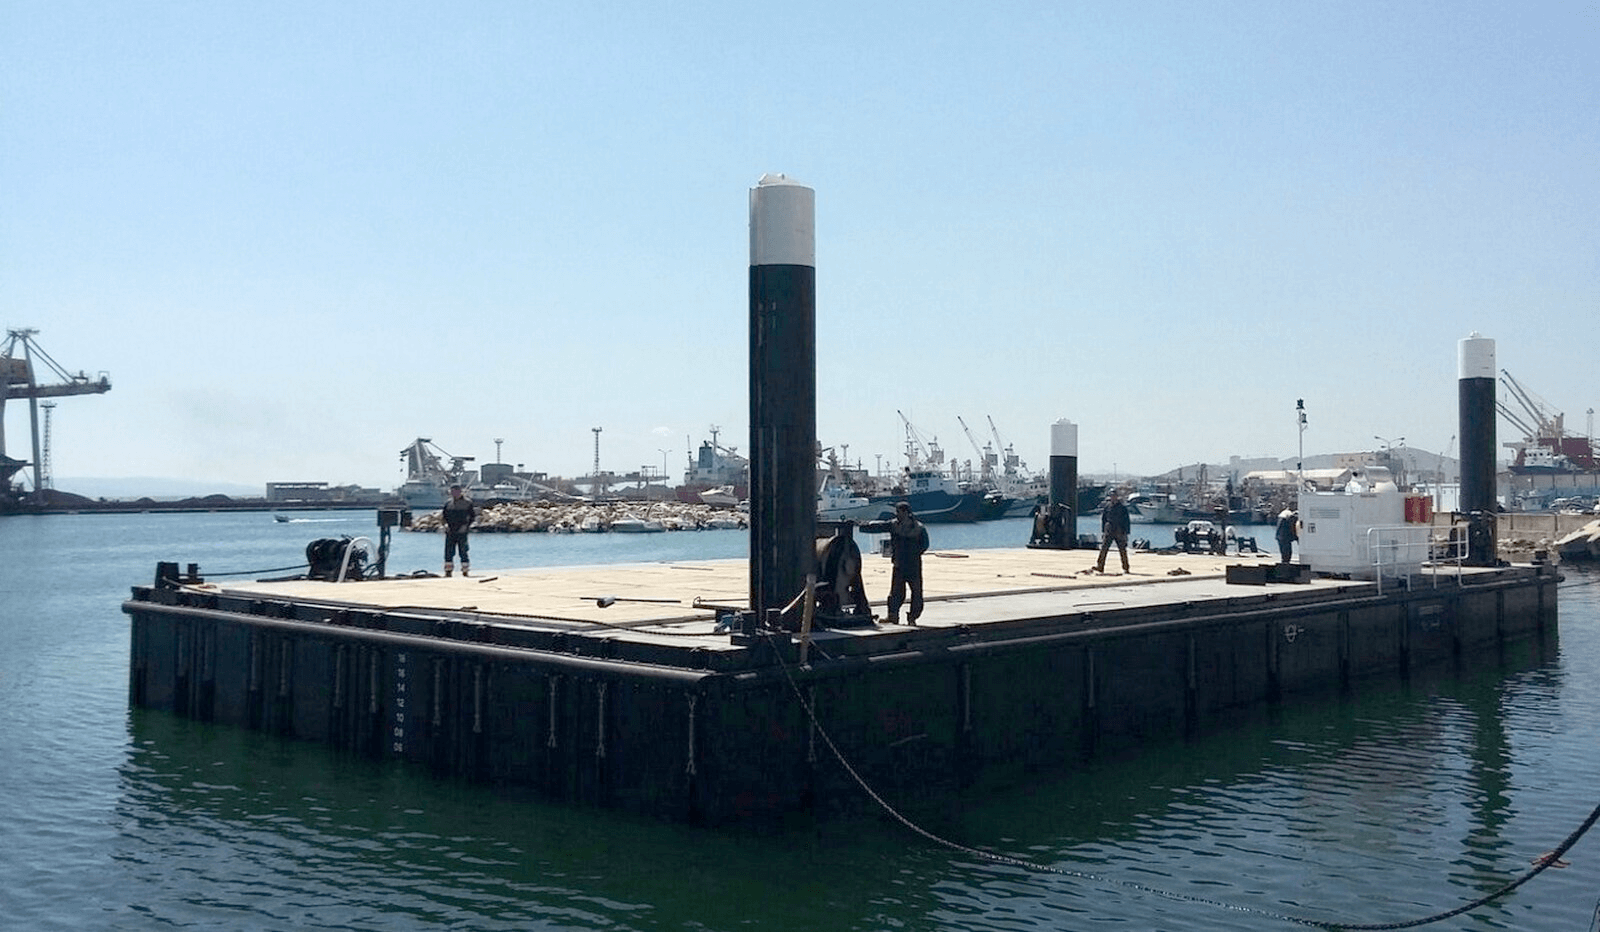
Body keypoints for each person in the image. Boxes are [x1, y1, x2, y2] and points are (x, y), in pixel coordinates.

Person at [860, 501, 930, 624]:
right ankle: (893, 616)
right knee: (897, 592)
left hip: (910, 564)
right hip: (903, 564)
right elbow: (878, 527)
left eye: (899, 512)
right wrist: (862, 525)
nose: (897, 514)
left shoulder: (918, 528)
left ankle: (912, 617)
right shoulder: (898, 525)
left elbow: (924, 545)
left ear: (906, 512)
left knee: (916, 593)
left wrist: (911, 554)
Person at [441, 484, 475, 577]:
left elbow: (472, 517)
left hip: (462, 531)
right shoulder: (448, 503)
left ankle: (465, 570)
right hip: (450, 531)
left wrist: (466, 527)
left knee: (463, 551)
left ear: (460, 491)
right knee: (448, 552)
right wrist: (445, 525)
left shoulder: (467, 503)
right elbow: (444, 516)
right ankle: (448, 571)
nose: (453, 493)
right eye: (451, 491)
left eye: (455, 491)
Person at [1096, 491, 1131, 573]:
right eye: (1111, 496)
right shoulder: (1107, 506)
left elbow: (1126, 520)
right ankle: (1100, 566)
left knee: (1122, 550)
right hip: (1109, 530)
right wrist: (1103, 531)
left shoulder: (1122, 507)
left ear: (1117, 496)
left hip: (1119, 530)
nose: (1113, 498)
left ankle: (1125, 567)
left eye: (1114, 496)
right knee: (1104, 549)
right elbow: (1104, 519)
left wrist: (1126, 532)